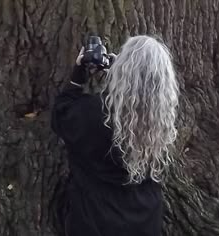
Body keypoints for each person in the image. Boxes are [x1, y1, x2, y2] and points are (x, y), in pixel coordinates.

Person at [51, 35, 179, 236]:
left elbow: (61, 114)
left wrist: (78, 78)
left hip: (96, 222)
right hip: (144, 222)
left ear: (124, 70)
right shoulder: (161, 123)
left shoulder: (93, 114)